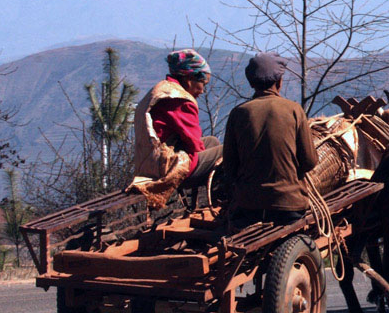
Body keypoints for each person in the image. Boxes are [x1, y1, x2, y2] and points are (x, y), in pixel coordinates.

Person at [222, 52, 319, 226]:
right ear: (279, 82)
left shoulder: (238, 113)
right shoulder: (294, 110)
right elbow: (309, 162)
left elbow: (230, 166)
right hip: (289, 205)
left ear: (251, 83)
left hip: (248, 206)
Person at [128, 49, 222, 205]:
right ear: (190, 78)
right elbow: (194, 143)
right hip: (167, 167)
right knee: (227, 153)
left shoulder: (161, 90)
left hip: (150, 162)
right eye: (202, 84)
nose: (202, 91)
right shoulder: (180, 100)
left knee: (211, 142)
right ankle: (220, 204)